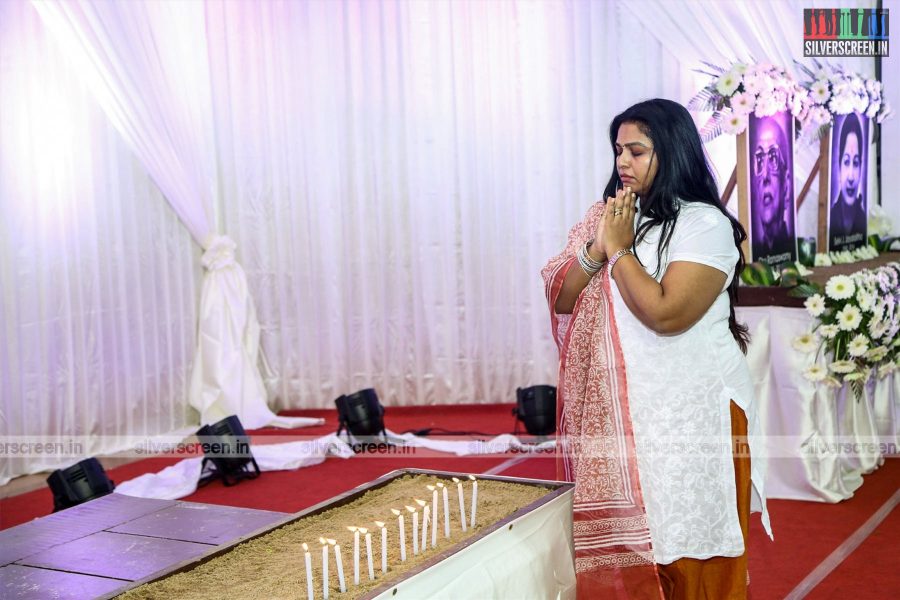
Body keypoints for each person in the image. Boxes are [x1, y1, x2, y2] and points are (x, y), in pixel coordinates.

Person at [542, 99, 771, 599]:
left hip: (695, 413)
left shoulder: (703, 224)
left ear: (672, 152)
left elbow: (666, 313)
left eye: (637, 151)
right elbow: (562, 296)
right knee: (645, 554)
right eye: (618, 150)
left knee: (695, 551)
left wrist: (619, 249)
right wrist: (598, 247)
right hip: (629, 414)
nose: (622, 162)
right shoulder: (612, 217)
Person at [750, 116, 794, 265]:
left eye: (774, 158)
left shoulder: (790, 250)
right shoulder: (751, 254)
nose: (765, 176)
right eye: (760, 160)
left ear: (786, 186)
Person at [829, 112, 866, 250]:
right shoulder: (830, 218)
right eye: (846, 162)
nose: (851, 177)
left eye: (856, 163)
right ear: (838, 166)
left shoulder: (863, 221)